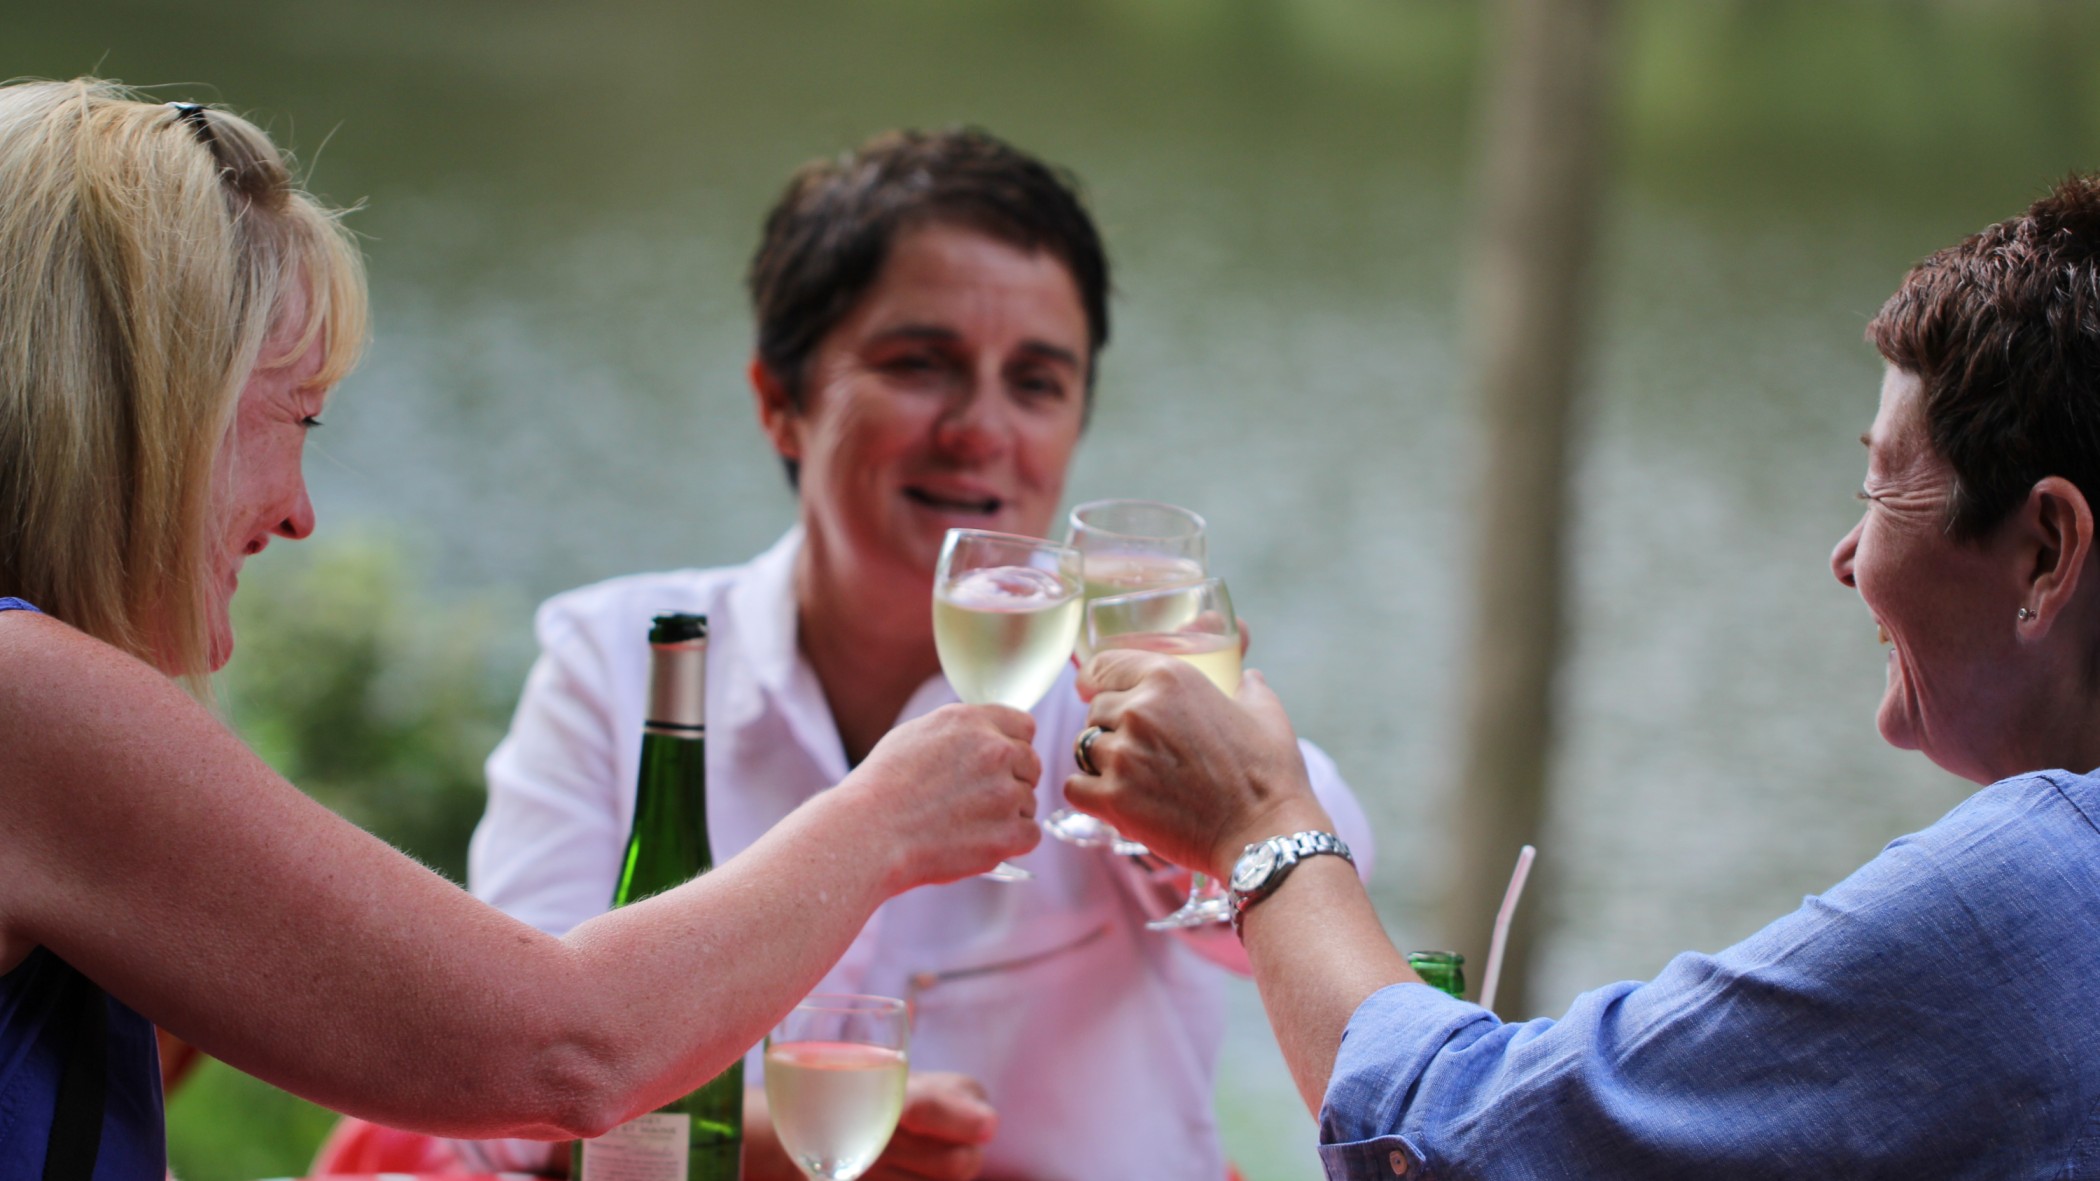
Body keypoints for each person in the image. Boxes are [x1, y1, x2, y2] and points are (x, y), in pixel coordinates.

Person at [0, 78, 1041, 1177]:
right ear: (144, 412)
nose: (302, 512)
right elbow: (568, 1053)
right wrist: (885, 818)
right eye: (295, 412)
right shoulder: (31, 701)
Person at [1065, 176, 2100, 1179]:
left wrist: (1260, 821)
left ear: (2046, 552)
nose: (1844, 555)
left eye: (1880, 487)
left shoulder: (2033, 894)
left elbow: (1460, 1143)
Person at [460, 128, 1377, 1181]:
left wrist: (1218, 799)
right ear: (780, 402)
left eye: (1035, 382)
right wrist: (789, 1138)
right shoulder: (622, 664)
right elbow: (499, 1088)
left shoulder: (1114, 685)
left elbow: (1333, 886)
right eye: (919, 365)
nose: (981, 429)